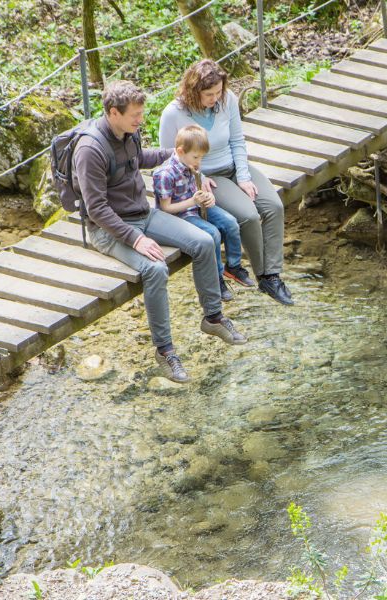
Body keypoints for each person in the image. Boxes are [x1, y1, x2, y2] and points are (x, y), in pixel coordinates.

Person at [73, 80, 246, 385]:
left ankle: (213, 318)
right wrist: (137, 239)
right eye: (135, 115)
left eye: (141, 114)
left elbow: (138, 159)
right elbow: (97, 209)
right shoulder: (90, 150)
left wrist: (177, 155)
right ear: (114, 112)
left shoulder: (128, 133)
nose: (140, 120)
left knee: (205, 241)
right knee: (155, 269)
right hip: (109, 231)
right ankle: (165, 352)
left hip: (144, 214)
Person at [159, 59, 293, 306]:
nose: (214, 98)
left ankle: (271, 275)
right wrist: (199, 176)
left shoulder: (227, 100)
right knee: (249, 216)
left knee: (274, 206)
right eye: (209, 94)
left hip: (234, 165)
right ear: (193, 90)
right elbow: (169, 156)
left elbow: (237, 140)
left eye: (218, 92)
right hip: (208, 177)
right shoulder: (173, 113)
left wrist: (243, 175)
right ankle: (262, 274)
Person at [152, 124, 253, 303]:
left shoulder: (191, 165)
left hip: (197, 207)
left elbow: (197, 189)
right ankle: (216, 278)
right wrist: (193, 201)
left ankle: (234, 266)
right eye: (196, 156)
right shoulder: (165, 174)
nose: (199, 162)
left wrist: (208, 198)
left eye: (202, 157)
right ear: (180, 151)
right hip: (179, 216)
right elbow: (166, 209)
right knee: (212, 233)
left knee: (230, 222)